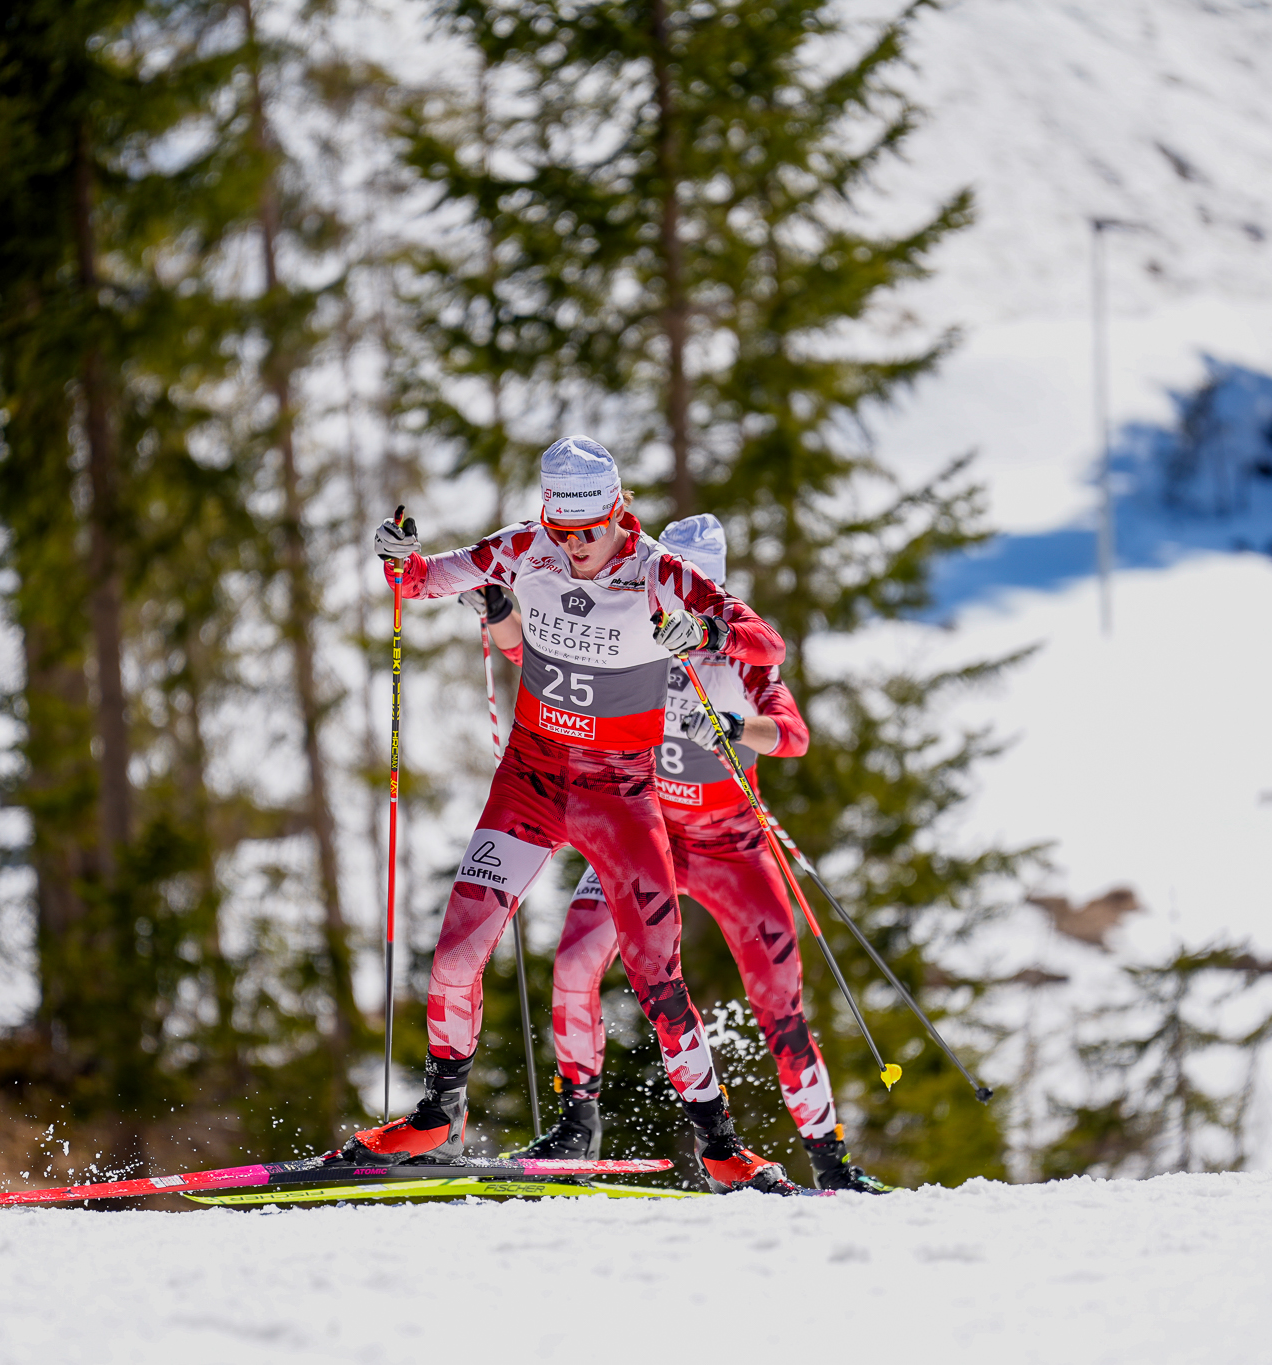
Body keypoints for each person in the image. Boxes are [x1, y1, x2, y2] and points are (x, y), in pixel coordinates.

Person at [344, 436, 797, 1192]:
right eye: (564, 530)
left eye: (590, 529)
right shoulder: (527, 546)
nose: (577, 546)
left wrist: (707, 631)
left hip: (617, 796)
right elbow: (423, 579)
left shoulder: (660, 570)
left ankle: (721, 1147)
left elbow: (765, 639)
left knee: (656, 975)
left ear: (618, 512)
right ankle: (438, 1116)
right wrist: (399, 558)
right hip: (529, 781)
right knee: (455, 953)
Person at [494, 515, 892, 1193]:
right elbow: (533, 661)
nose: (674, 601)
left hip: (732, 848)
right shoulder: (628, 631)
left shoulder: (741, 654)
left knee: (780, 1006)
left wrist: (737, 727)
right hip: (644, 834)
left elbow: (792, 734)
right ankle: (577, 1126)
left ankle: (832, 1165)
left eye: (694, 588)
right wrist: (500, 611)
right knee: (575, 962)